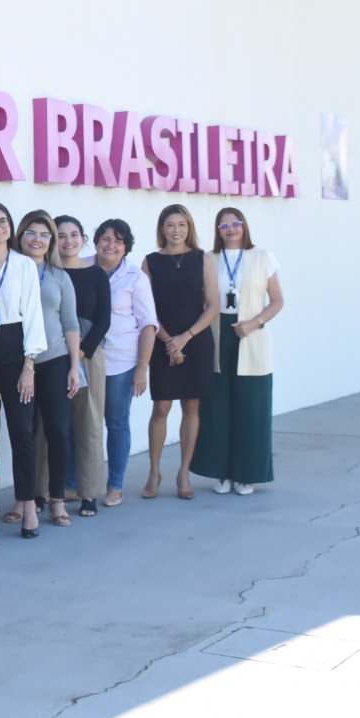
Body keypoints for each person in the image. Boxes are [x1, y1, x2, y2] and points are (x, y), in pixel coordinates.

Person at [190, 206, 285, 495]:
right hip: (217, 337)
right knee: (217, 409)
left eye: (235, 223)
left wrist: (255, 323)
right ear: (217, 231)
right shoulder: (208, 259)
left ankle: (247, 474)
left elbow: (277, 300)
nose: (230, 229)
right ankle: (222, 473)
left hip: (251, 337)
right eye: (223, 225)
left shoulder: (263, 257)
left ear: (244, 226)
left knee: (251, 409)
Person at [0, 201, 45, 539]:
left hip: (15, 349)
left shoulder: (23, 265)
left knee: (22, 430)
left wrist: (29, 365)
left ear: (10, 225)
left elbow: (33, 314)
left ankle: (28, 503)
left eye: (3, 221)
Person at [143, 204, 219, 501]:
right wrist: (168, 341)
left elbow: (212, 305)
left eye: (182, 225)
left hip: (196, 340)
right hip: (161, 341)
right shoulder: (150, 262)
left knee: (191, 407)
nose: (176, 230)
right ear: (162, 229)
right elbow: (146, 308)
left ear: (189, 228)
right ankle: (154, 472)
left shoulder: (202, 259)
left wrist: (184, 338)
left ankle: (183, 472)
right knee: (161, 408)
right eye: (170, 225)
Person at [42, 215, 110, 516]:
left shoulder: (96, 274)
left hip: (89, 354)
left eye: (74, 235)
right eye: (62, 235)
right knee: (45, 425)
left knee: (90, 424)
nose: (68, 241)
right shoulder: (46, 272)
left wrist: (80, 351)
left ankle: (89, 493)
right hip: (52, 354)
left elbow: (105, 319)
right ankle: (42, 491)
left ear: (83, 238)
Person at [17, 210, 82, 527]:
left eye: (44, 234)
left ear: (51, 240)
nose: (37, 239)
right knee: (23, 433)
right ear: (21, 235)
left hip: (54, 361)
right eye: (31, 232)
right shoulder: (11, 270)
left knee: (57, 431)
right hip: (19, 364)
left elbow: (70, 323)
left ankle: (56, 499)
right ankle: (24, 497)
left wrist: (74, 366)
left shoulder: (59, 276)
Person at [93, 219, 157, 508]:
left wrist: (142, 367)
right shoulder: (82, 268)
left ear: (126, 247)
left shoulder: (135, 278)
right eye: (106, 239)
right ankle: (74, 483)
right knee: (80, 424)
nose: (111, 245)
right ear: (96, 242)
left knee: (117, 423)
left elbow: (147, 325)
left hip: (121, 362)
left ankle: (115, 485)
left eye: (118, 241)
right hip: (85, 359)